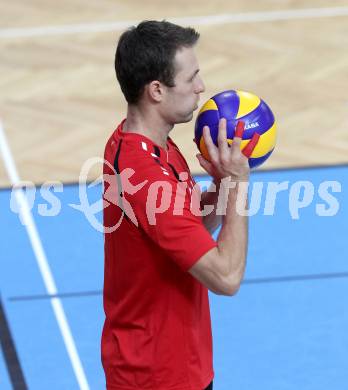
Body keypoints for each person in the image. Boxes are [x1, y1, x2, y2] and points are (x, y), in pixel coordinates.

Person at [102, 20, 259, 390]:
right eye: (192, 78)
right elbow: (226, 276)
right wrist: (237, 187)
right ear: (157, 90)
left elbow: (187, 231)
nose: (201, 87)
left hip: (181, 363)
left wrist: (220, 185)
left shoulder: (150, 146)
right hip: (157, 376)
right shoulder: (144, 175)